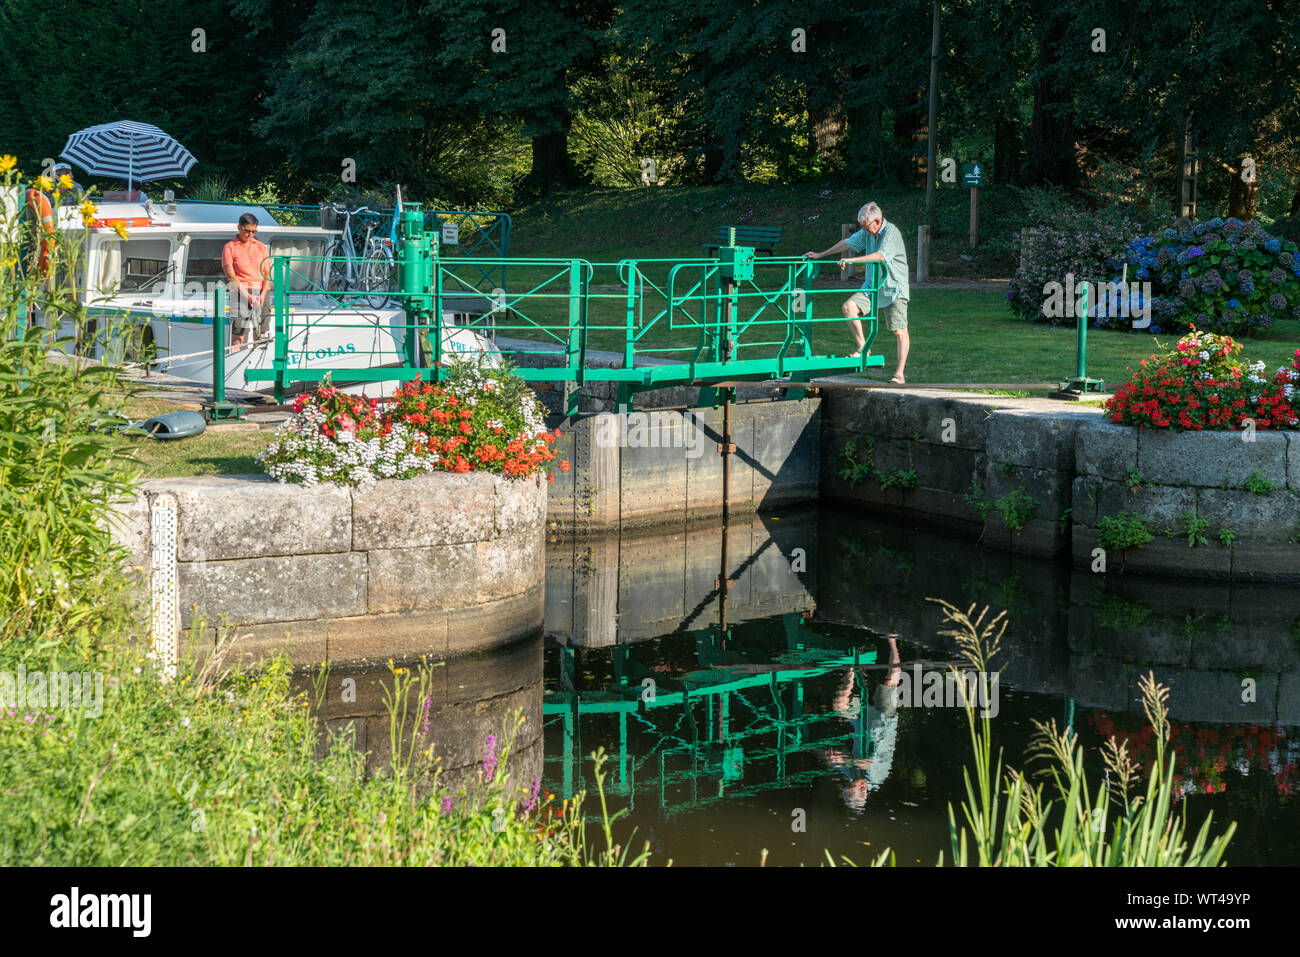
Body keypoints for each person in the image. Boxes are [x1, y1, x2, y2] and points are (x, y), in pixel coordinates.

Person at [804, 202, 911, 384]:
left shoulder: (890, 232)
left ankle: (899, 374)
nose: (864, 229)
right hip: (871, 286)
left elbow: (880, 256)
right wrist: (821, 254)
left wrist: (852, 260)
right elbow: (847, 242)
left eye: (866, 226)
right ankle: (863, 348)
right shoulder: (868, 231)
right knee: (849, 307)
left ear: (877, 221)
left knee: (899, 331)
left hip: (893, 287)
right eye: (862, 226)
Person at [221, 213, 272, 345]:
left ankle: (258, 364)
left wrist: (263, 295)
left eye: (253, 231)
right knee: (238, 335)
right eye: (247, 231)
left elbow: (268, 274)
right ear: (239, 228)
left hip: (261, 292)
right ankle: (234, 362)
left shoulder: (261, 246)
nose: (250, 235)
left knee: (261, 333)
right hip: (239, 291)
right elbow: (231, 276)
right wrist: (248, 297)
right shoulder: (229, 247)